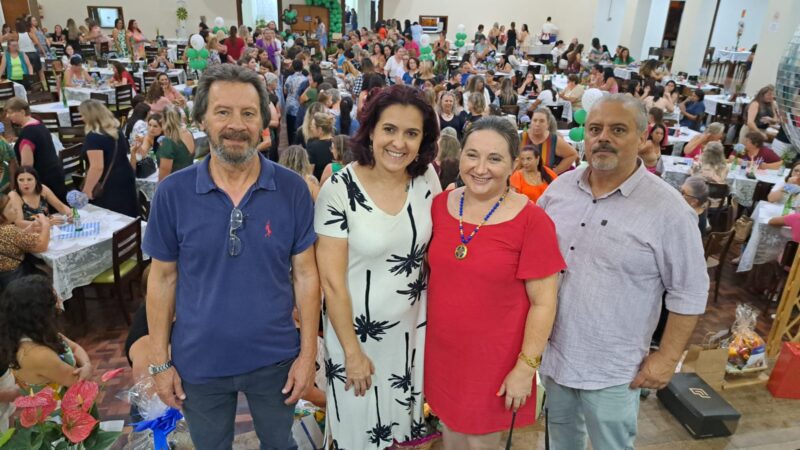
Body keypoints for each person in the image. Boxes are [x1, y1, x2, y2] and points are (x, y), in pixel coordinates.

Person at [144, 64, 319, 449]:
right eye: (223, 112)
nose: (236, 125)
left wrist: (308, 355)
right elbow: (162, 279)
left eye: (248, 113)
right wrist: (160, 362)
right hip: (199, 362)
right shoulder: (173, 194)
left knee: (280, 444)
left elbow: (306, 275)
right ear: (202, 118)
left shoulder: (292, 190)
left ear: (264, 122)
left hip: (276, 361)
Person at [538, 94, 708, 449]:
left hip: (614, 368)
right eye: (596, 129)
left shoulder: (669, 210)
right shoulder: (560, 190)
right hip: (553, 354)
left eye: (618, 129)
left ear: (643, 137)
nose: (604, 138)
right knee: (560, 442)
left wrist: (667, 357)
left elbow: (689, 291)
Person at [314, 84, 440, 449]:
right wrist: (352, 353)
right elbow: (332, 283)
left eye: (411, 133)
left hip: (410, 336)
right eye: (389, 129)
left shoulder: (427, 180)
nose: (398, 143)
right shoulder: (338, 190)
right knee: (359, 433)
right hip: (357, 340)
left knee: (401, 433)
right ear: (370, 130)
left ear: (423, 140)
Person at [425, 117, 563, 448]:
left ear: (514, 163)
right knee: (451, 436)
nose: (481, 168)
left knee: (479, 443)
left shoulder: (533, 222)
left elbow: (544, 303)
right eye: (472, 155)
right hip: (442, 356)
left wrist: (525, 368)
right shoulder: (439, 207)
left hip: (494, 364)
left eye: (495, 158)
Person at [0, 275, 93, 388]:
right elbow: (77, 382)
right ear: (40, 310)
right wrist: (87, 370)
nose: (59, 299)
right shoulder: (39, 355)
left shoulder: (34, 333)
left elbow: (74, 348)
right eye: (54, 297)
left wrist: (86, 364)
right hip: (68, 402)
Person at [79, 99, 138, 217]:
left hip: (108, 184)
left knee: (110, 218)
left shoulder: (93, 137)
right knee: (127, 217)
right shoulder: (116, 130)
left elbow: (97, 167)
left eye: (83, 115)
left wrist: (87, 190)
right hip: (125, 176)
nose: (81, 118)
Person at [5, 98, 68, 202]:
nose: (7, 116)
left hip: (44, 182)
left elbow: (27, 166)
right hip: (55, 174)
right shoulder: (38, 124)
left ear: (22, 112)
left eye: (10, 112)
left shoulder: (27, 135)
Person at [0, 196, 50, 288]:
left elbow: (11, 241)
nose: (15, 209)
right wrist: (46, 224)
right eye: (10, 207)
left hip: (4, 278)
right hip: (16, 278)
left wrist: (26, 231)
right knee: (49, 273)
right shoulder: (9, 230)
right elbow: (42, 246)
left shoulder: (4, 229)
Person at [521, 108, 579, 174]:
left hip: (545, 182)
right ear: (531, 122)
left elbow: (573, 154)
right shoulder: (522, 138)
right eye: (535, 120)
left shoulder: (553, 140)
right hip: (522, 181)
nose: (537, 124)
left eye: (541, 121)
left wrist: (555, 171)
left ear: (548, 124)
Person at [156, 107, 195, 181]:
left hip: (175, 184)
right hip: (190, 179)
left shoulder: (168, 141)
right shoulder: (189, 133)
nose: (160, 120)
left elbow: (164, 176)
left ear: (164, 120)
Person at [306, 112, 334, 181]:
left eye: (313, 126)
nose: (311, 128)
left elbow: (310, 173)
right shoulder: (337, 143)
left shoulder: (313, 147)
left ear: (320, 130)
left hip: (319, 184)